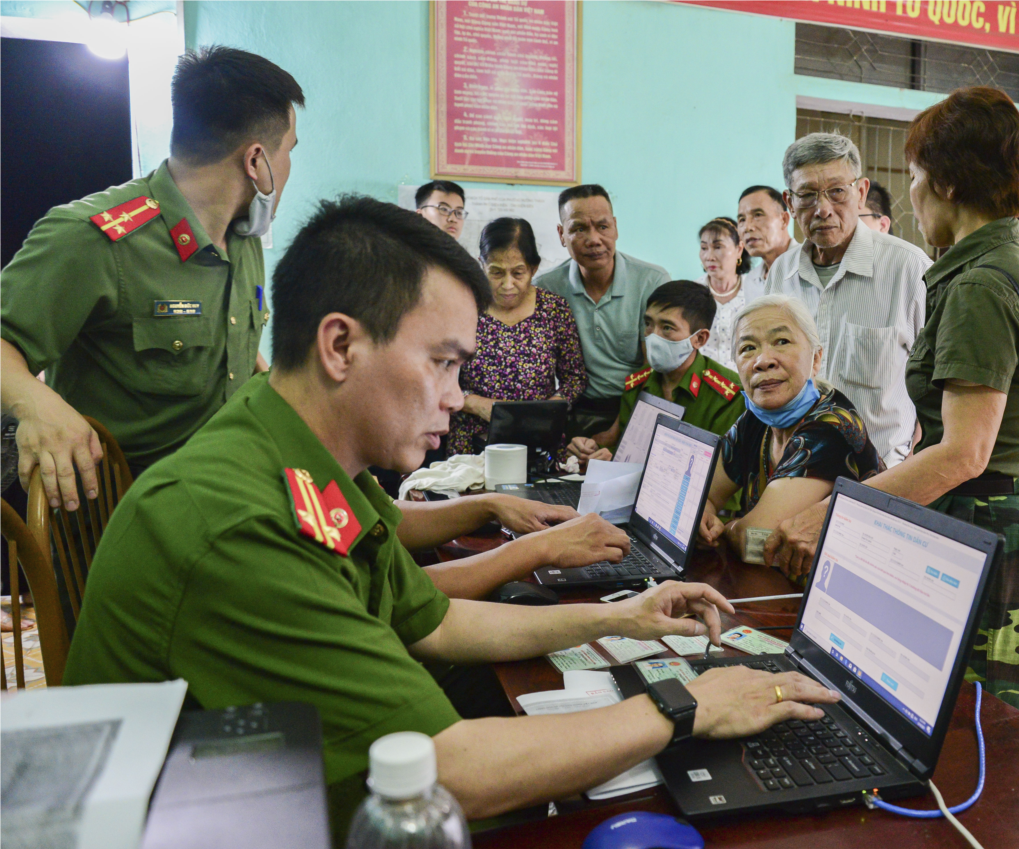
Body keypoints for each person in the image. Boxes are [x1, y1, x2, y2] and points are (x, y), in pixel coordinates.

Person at [61, 196, 840, 843]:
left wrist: (631, 618)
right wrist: (689, 705)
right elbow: (450, 769)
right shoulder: (234, 521)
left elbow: (431, 620)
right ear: (341, 344)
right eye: (441, 362)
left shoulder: (299, 459)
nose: (454, 393)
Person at [764, 87, 1019, 723]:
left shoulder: (979, 284)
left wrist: (836, 515)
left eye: (912, 177)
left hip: (1007, 543)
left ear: (942, 181)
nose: (910, 196)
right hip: (1000, 528)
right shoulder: (1003, 259)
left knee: (993, 743)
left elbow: (964, 452)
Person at [0, 46, 303, 509]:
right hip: (122, 516)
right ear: (256, 161)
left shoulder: (242, 238)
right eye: (288, 154)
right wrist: (33, 403)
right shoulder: (95, 239)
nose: (287, 172)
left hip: (224, 500)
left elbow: (234, 351)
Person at [765, 133, 929, 467]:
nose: (823, 209)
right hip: (793, 471)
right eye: (807, 195)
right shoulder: (781, 273)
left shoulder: (908, 269)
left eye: (837, 192)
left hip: (877, 481)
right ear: (789, 201)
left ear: (861, 193)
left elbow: (938, 386)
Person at [699, 295, 882, 554]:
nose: (763, 361)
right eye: (747, 348)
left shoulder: (831, 426)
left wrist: (727, 528)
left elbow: (758, 540)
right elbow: (700, 496)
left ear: (816, 359)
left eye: (781, 341)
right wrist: (704, 516)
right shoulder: (756, 420)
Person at [536, 185, 670, 438]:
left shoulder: (652, 282)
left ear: (615, 227)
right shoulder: (545, 288)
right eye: (578, 228)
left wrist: (616, 432)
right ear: (561, 234)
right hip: (572, 410)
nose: (594, 239)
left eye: (603, 226)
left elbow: (655, 369)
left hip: (637, 406)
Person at [447, 217, 587, 456]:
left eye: (518, 273)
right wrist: (475, 403)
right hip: (471, 444)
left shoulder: (554, 310)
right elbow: (437, 378)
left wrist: (545, 410)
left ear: (533, 268)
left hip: (537, 441)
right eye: (497, 272)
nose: (507, 285)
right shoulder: (463, 308)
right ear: (481, 264)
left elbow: (574, 378)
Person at [567, 281, 746, 464]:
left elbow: (726, 477)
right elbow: (625, 451)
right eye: (648, 324)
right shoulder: (637, 384)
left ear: (699, 339)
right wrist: (594, 454)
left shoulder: (728, 396)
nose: (653, 336)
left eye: (667, 327)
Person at [696, 216, 754, 371]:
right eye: (704, 248)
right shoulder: (692, 293)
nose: (709, 256)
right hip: (700, 383)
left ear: (739, 249)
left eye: (718, 247)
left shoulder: (755, 290)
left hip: (746, 382)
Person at [736, 185, 796, 292]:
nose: (747, 227)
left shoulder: (809, 266)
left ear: (784, 220)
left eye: (758, 215)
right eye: (742, 219)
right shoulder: (751, 281)